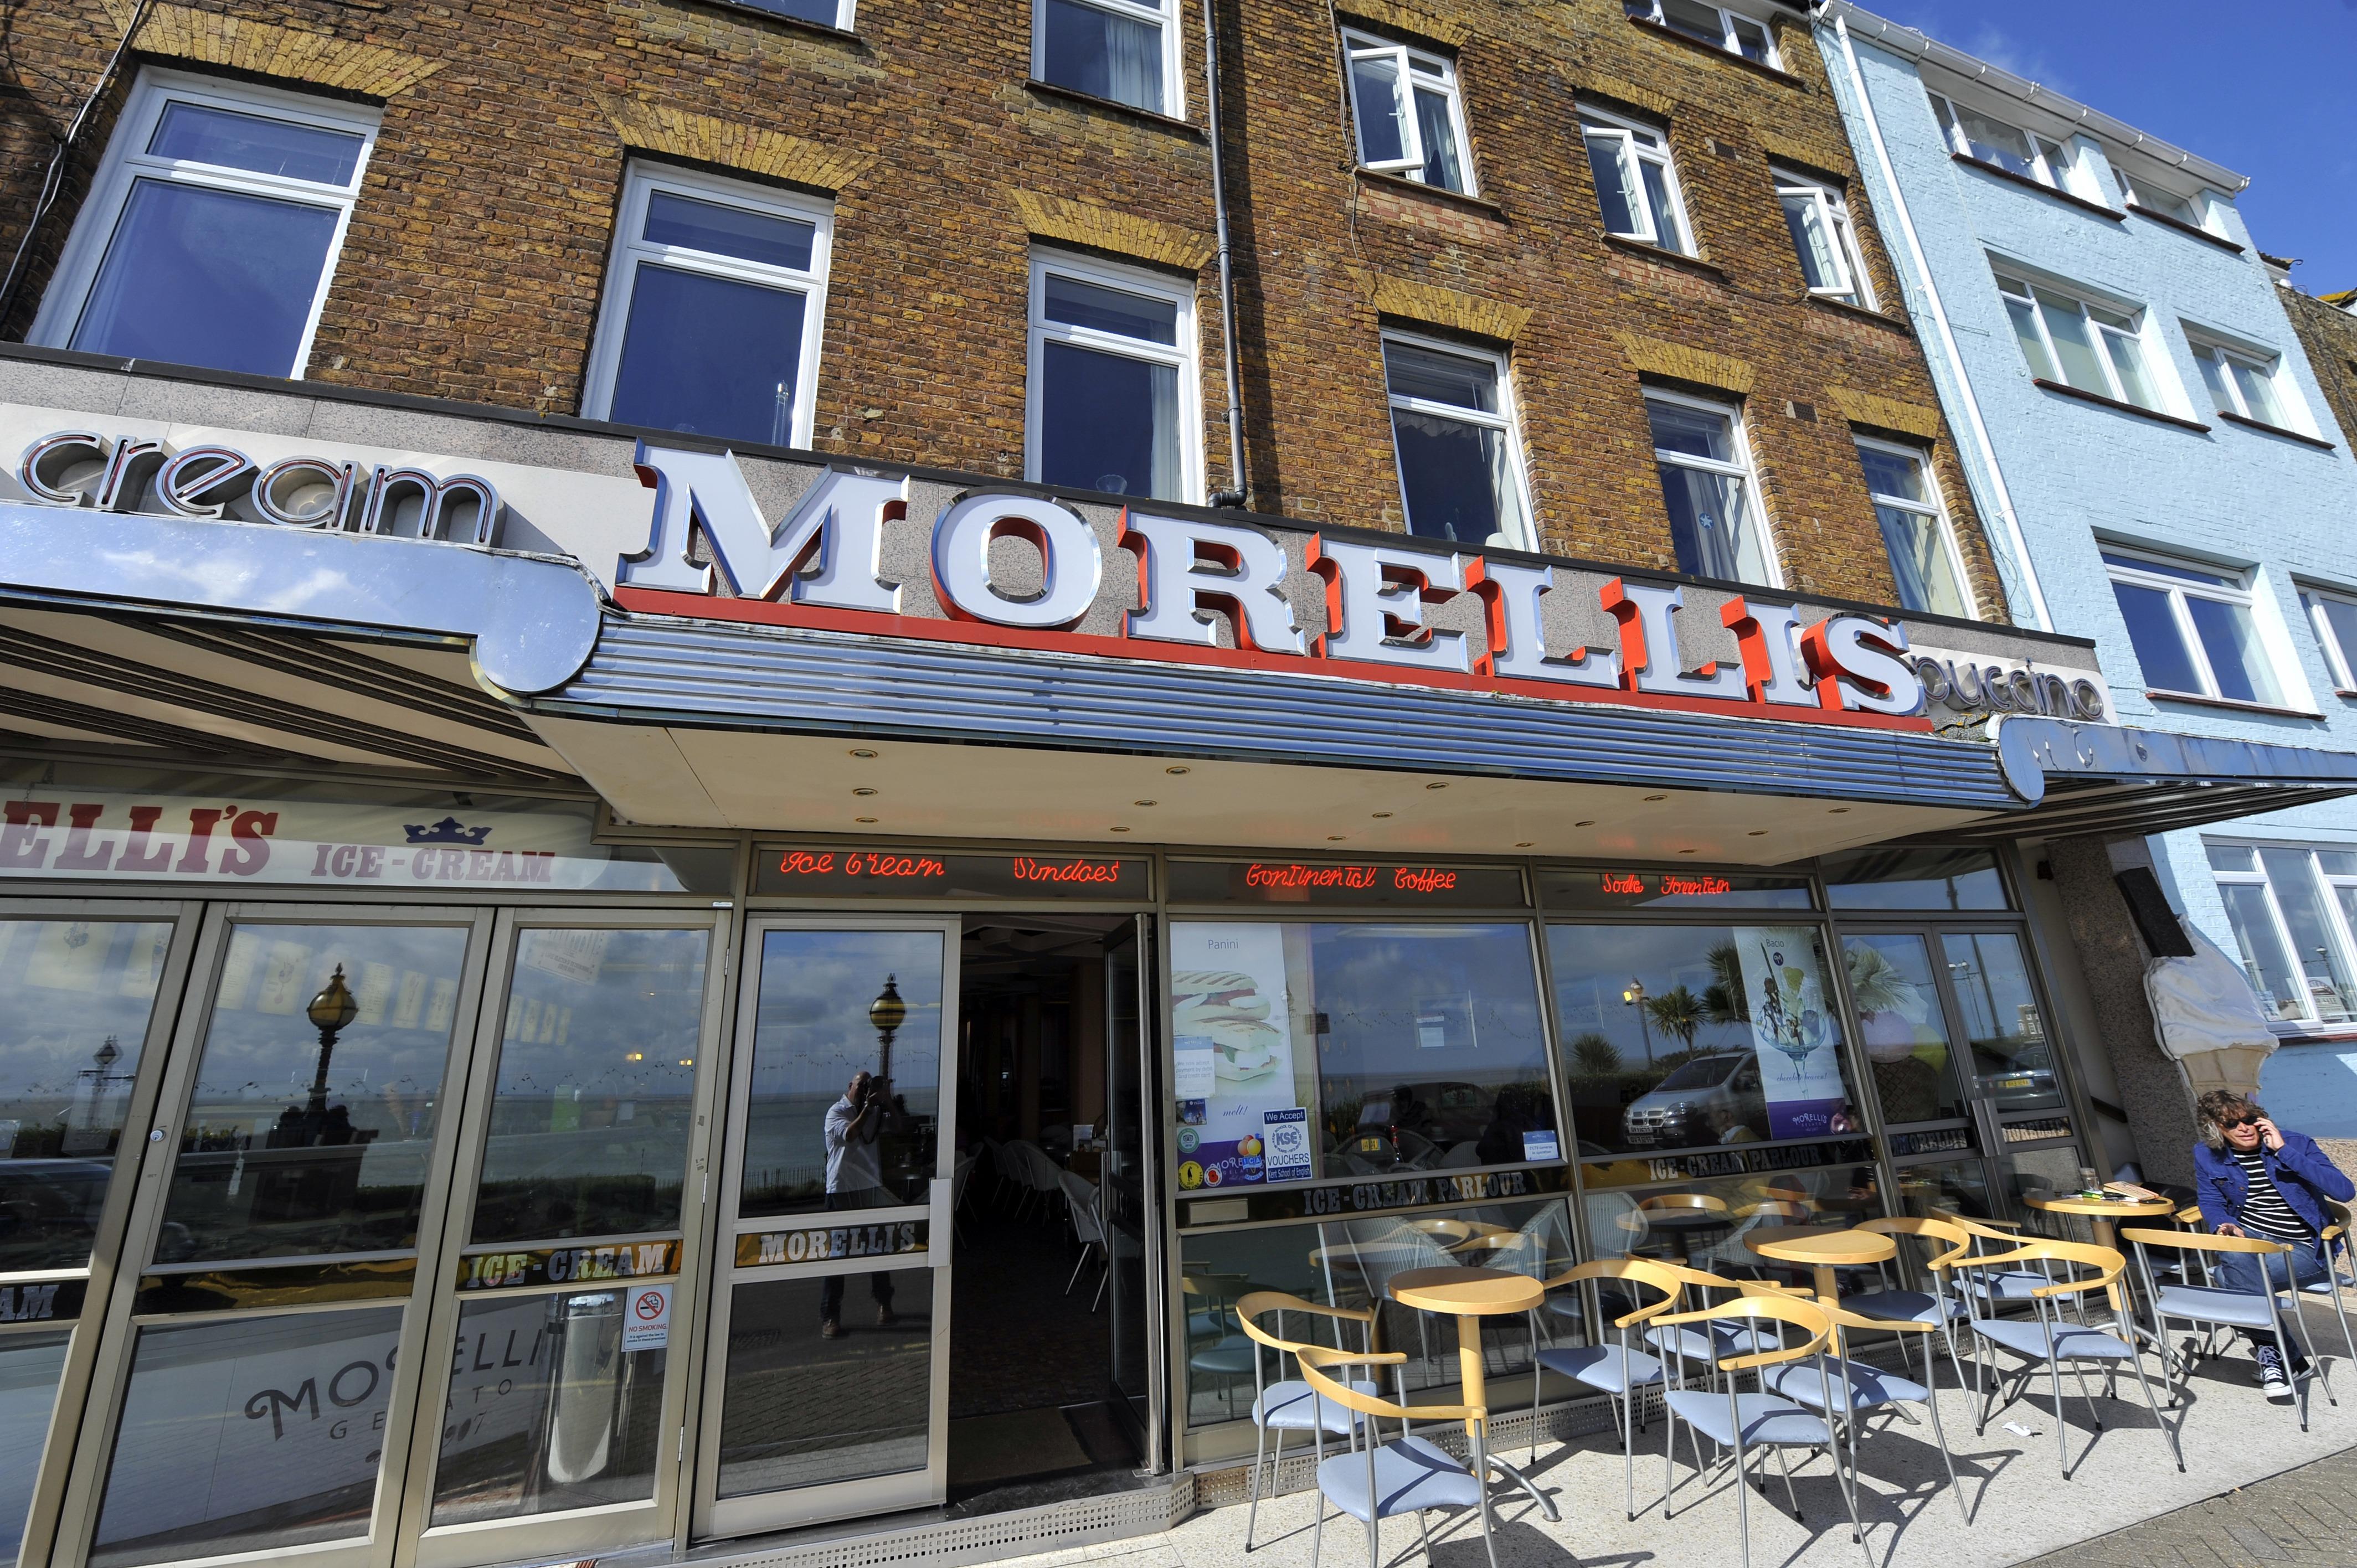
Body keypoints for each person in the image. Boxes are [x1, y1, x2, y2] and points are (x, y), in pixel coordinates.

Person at [2191, 1090, 2355, 1401]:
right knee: (2234, 1254)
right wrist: (2223, 1223)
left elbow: (2344, 1191)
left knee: (2227, 1278)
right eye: (2232, 1124)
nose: (2244, 1128)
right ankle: (2285, 1360)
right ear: (2216, 1129)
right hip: (2253, 1240)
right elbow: (2211, 1201)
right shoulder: (2207, 1154)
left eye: (2249, 1119)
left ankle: (2276, 1357)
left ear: (2260, 1118)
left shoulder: (2295, 1143)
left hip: (2303, 1247)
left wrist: (2283, 1151)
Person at [820, 1069, 894, 1340]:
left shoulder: (874, 1112)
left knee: (878, 1249)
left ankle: (885, 1304)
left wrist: (888, 1102)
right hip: (841, 1190)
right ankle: (831, 1316)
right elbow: (850, 1135)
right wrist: (868, 1109)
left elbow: (898, 1128)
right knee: (838, 1254)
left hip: (868, 1189)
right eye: (861, 1085)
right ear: (850, 1085)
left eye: (869, 1086)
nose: (864, 1090)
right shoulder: (836, 1112)